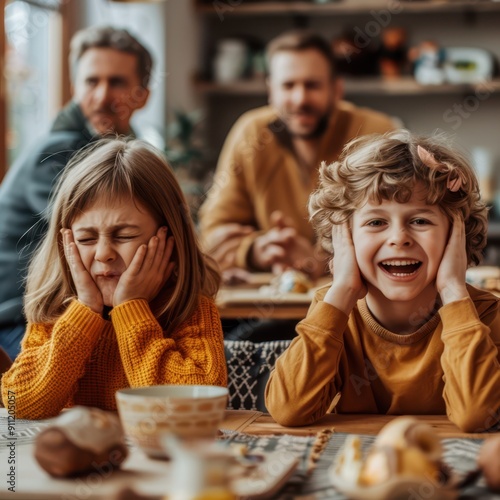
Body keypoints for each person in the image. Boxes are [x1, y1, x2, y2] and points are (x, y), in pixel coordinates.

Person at [265, 129, 500, 432]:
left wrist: (453, 290)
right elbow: (289, 409)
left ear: (457, 236)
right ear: (345, 237)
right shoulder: (336, 312)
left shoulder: (482, 316)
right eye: (376, 222)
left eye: (420, 221)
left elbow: (477, 414)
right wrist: (342, 290)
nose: (399, 238)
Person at [1, 138, 227, 420]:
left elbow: (195, 408)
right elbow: (19, 402)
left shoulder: (190, 311)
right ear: (65, 243)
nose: (104, 253)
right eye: (86, 238)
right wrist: (85, 311)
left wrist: (131, 309)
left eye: (124, 236)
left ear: (169, 237)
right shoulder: (57, 312)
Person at [0, 26, 153, 361]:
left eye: (116, 82)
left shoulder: (123, 152)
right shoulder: (58, 152)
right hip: (20, 318)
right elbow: (106, 243)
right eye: (91, 81)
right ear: (74, 87)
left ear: (143, 94)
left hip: (70, 308)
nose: (100, 96)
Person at [199, 29, 396, 279]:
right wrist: (256, 250)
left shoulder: (377, 132)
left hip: (359, 302)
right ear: (271, 91)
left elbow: (397, 231)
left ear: (336, 89)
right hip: (273, 297)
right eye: (288, 85)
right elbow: (212, 232)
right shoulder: (251, 133)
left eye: (312, 85)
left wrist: (318, 260)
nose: (300, 98)